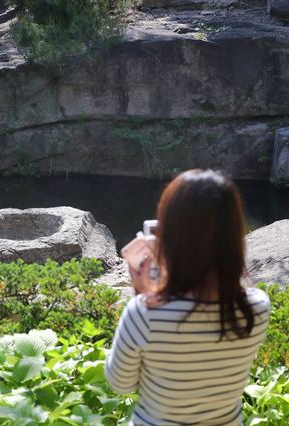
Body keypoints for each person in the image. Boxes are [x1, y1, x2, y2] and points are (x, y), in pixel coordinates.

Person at [105, 169, 270, 425]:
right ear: (234, 236)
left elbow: (120, 384)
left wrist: (144, 295)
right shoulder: (257, 306)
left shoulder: (144, 313)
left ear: (168, 238)